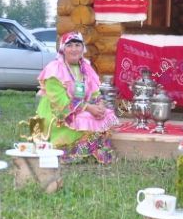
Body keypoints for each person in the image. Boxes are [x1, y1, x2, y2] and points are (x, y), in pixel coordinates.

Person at [34, 31, 119, 164]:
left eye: (77, 45)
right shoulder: (54, 69)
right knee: (83, 118)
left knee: (106, 114)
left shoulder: (85, 67)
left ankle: (93, 150)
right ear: (63, 49)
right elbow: (61, 103)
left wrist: (100, 105)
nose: (74, 49)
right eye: (70, 45)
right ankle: (70, 153)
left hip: (82, 106)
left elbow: (95, 92)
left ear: (83, 48)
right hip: (59, 112)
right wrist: (89, 108)